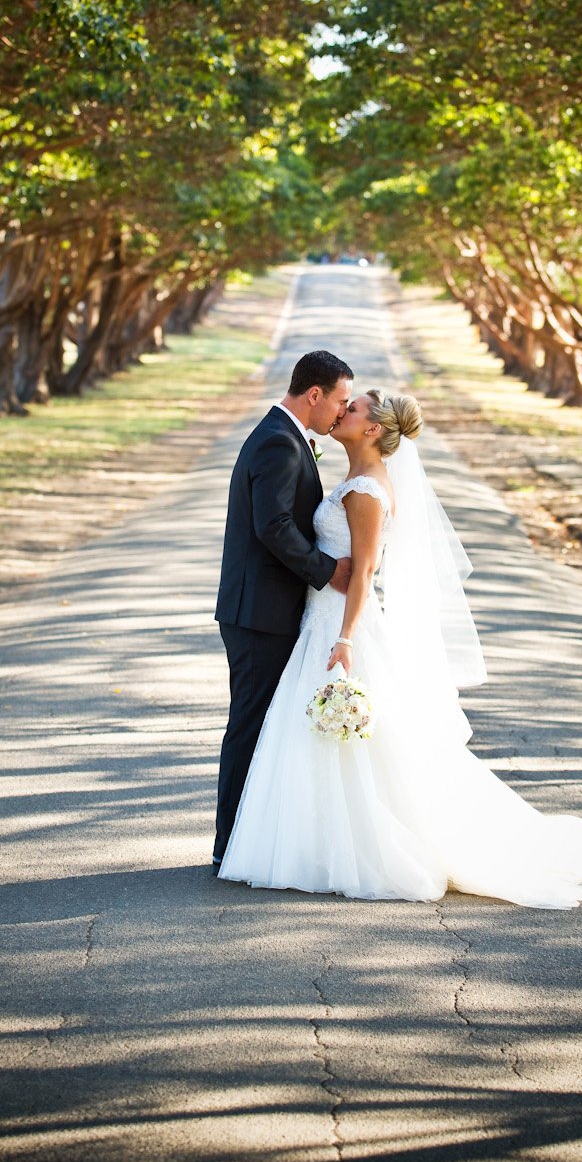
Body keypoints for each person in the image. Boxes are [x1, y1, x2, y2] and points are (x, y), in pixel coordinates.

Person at [215, 388, 582, 908]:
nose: (343, 411)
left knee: (353, 740)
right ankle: (308, 839)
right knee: (324, 739)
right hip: (317, 621)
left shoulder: (365, 488)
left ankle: (341, 844)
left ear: (371, 430)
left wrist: (345, 639)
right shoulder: (354, 479)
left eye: (355, 408)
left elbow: (364, 572)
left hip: (338, 630)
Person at [212, 350, 354, 871]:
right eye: (339, 400)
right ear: (313, 395)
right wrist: (326, 570)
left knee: (265, 728)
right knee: (249, 728)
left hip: (268, 611)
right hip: (258, 615)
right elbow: (272, 526)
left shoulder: (286, 436)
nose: (341, 412)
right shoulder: (278, 441)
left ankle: (251, 841)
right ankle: (229, 846)